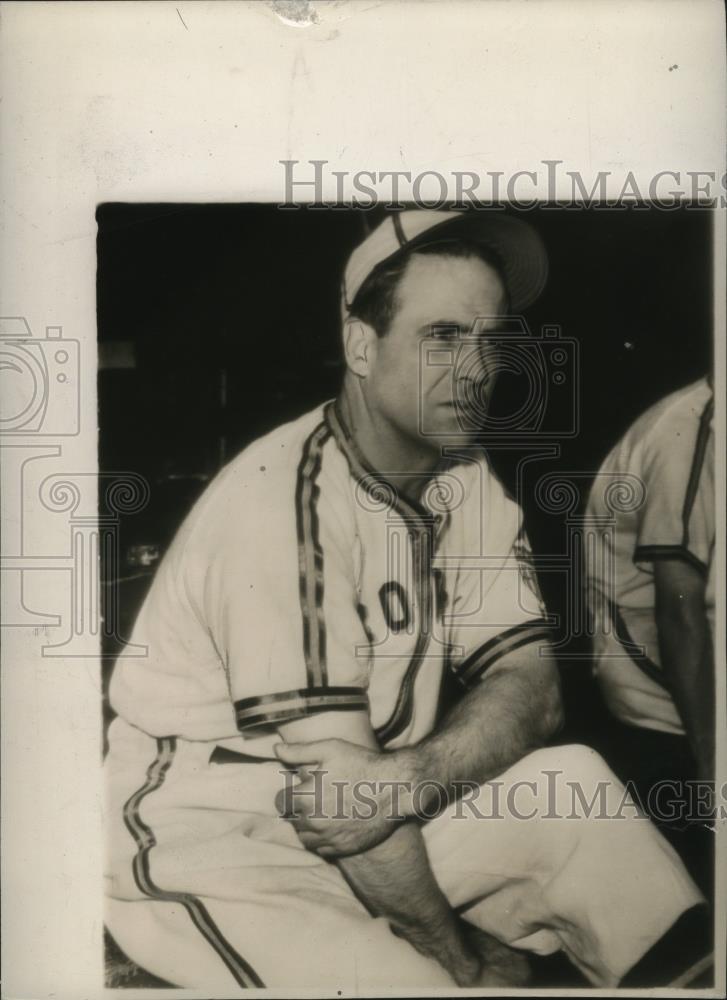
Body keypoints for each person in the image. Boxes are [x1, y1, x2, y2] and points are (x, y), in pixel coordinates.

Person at [105, 210, 707, 990]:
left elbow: (532, 686)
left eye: (490, 339)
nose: (475, 368)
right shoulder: (278, 505)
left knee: (577, 788)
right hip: (218, 830)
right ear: (362, 345)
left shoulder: (463, 475)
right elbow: (339, 800)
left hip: (382, 798)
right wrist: (461, 957)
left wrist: (412, 779)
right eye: (442, 337)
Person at [584, 375, 715, 891]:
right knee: (689, 897)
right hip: (665, 708)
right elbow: (678, 613)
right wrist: (713, 771)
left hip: (702, 676)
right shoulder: (685, 432)